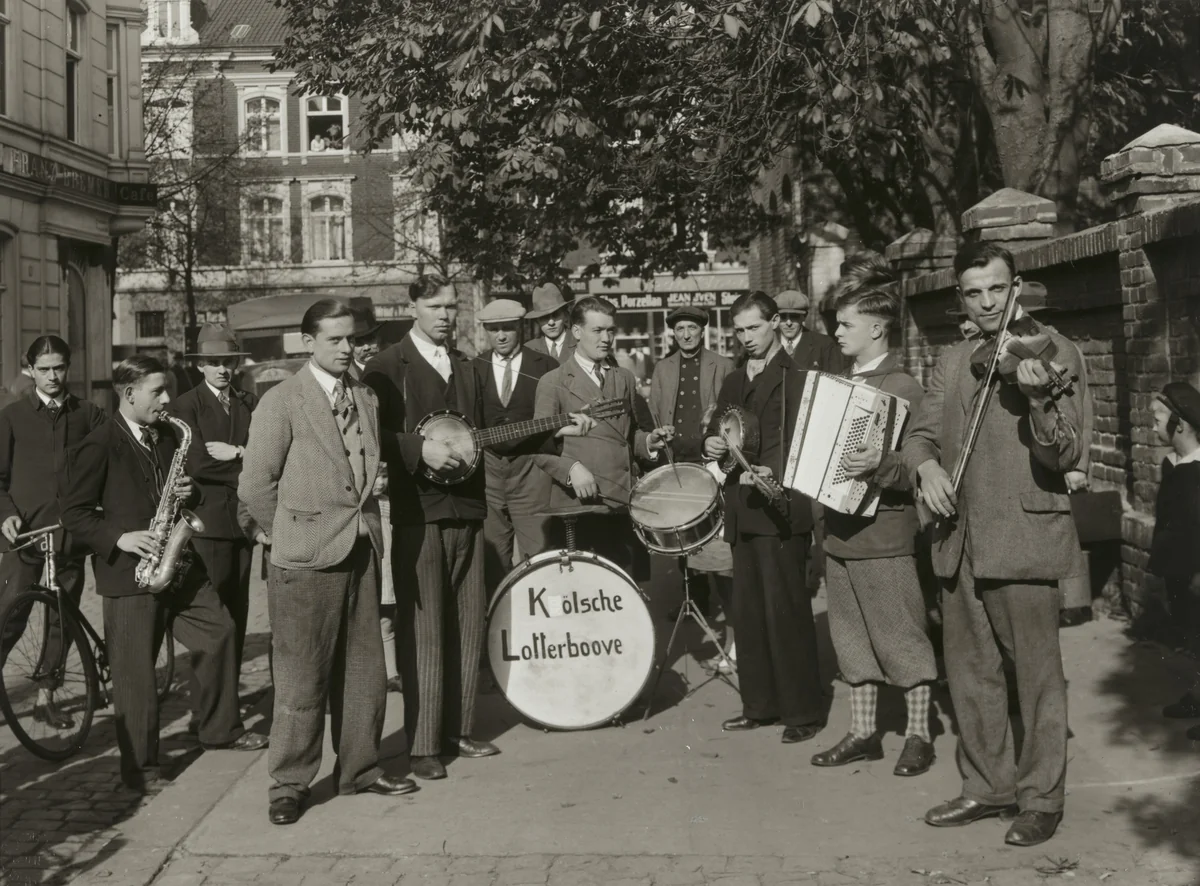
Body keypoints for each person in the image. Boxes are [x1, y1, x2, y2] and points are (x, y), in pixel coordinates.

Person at [901, 241, 1089, 847]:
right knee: (971, 674)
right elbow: (921, 435)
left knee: (1036, 679)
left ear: (1018, 286)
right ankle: (988, 787)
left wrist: (1037, 399)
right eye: (973, 292)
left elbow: (1064, 454)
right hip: (959, 536)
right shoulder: (954, 359)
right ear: (961, 295)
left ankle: (1041, 799)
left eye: (996, 289)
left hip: (1024, 532)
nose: (986, 302)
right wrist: (926, 470)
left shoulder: (1057, 352)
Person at [240, 299, 414, 826]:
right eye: (335, 340)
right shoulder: (281, 400)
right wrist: (289, 535)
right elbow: (254, 486)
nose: (346, 348)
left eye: (351, 339)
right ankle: (289, 783)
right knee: (301, 677)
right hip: (303, 558)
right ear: (308, 342)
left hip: (360, 548)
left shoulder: (363, 393)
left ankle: (359, 768)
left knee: (365, 669)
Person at [61, 355, 265, 792]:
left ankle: (218, 729)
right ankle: (141, 771)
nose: (167, 399)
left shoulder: (168, 435)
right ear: (129, 393)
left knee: (221, 632)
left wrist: (187, 490)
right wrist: (121, 539)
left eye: (167, 389)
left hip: (177, 563)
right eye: (157, 391)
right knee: (136, 676)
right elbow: (74, 514)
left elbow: (172, 486)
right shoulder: (99, 443)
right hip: (131, 571)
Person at [362, 275, 496, 782]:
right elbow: (372, 437)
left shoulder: (467, 366)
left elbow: (488, 430)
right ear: (412, 307)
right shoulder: (384, 367)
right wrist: (421, 450)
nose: (445, 315)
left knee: (466, 624)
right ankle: (421, 746)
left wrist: (557, 426)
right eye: (434, 306)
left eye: (451, 306)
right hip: (418, 513)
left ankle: (458, 729)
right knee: (424, 630)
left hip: (468, 510)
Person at [808, 286, 938, 776]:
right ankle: (863, 733)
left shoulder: (904, 387)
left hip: (884, 536)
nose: (836, 332)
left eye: (846, 324)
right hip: (840, 534)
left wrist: (885, 463)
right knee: (851, 639)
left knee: (901, 637)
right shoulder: (838, 382)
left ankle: (919, 735)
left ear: (877, 328)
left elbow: (926, 464)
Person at [702, 291, 825, 745]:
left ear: (776, 323)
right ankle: (759, 706)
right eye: (738, 330)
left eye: (754, 327)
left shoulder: (799, 377)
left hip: (780, 508)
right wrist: (711, 446)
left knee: (786, 612)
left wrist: (781, 472)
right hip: (742, 508)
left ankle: (803, 712)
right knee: (748, 613)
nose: (746, 337)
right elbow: (719, 431)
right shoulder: (734, 381)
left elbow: (808, 444)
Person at [0, 336, 107, 727]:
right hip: (25, 537)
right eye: (43, 369)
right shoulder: (12, 417)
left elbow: (107, 462)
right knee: (10, 614)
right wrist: (6, 515)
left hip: (70, 534)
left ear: (68, 368)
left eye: (58, 368)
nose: (52, 377)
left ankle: (47, 695)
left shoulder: (88, 415)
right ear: (30, 369)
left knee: (63, 616)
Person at [532, 295, 673, 578]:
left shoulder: (624, 378)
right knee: (590, 594)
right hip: (580, 507)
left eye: (611, 330)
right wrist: (571, 469)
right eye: (597, 330)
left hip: (624, 503)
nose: (606, 338)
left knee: (628, 593)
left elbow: (625, 436)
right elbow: (538, 444)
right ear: (576, 332)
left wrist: (648, 443)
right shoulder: (553, 382)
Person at [168, 325, 259, 682]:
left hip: (245, 523)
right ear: (200, 366)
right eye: (213, 362)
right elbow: (198, 464)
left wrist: (238, 453)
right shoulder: (185, 406)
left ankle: (229, 699)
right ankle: (209, 708)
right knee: (214, 620)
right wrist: (247, 466)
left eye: (228, 362)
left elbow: (268, 456)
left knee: (238, 613)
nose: (222, 369)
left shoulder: (248, 402)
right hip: (208, 526)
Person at [473, 298, 582, 591]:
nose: (501, 335)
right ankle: (501, 626)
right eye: (494, 329)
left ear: (520, 327)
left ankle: (544, 627)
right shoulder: (474, 367)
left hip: (533, 467)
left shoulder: (545, 366)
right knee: (493, 557)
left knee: (541, 554)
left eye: (507, 328)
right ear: (485, 331)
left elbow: (560, 415)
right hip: (488, 472)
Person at [648, 305, 735, 666]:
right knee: (684, 537)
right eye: (680, 328)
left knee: (717, 545)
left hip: (711, 463)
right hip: (677, 463)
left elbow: (732, 414)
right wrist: (661, 436)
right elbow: (654, 411)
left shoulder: (722, 364)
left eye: (692, 328)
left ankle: (727, 625)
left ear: (703, 331)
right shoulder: (663, 368)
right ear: (673, 333)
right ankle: (693, 601)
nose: (685, 334)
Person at [1149, 382, 1200, 742]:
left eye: (1157, 419)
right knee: (1194, 638)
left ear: (1179, 424)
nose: (1152, 427)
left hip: (1197, 573)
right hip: (1181, 572)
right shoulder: (1175, 466)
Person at [776, 289, 845, 372]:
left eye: (794, 316)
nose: (789, 323)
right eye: (783, 317)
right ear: (776, 318)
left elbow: (834, 380)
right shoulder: (768, 343)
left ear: (804, 316)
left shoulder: (824, 345)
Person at [525, 283, 576, 364]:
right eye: (544, 317)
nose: (551, 322)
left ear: (565, 315)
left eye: (556, 315)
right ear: (537, 320)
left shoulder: (580, 344)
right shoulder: (529, 349)